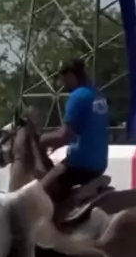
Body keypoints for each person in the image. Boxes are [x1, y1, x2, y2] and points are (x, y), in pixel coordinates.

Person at [38, 58, 109, 223]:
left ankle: (54, 229)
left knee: (40, 191)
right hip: (99, 163)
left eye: (64, 78)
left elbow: (64, 135)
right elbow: (85, 130)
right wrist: (57, 143)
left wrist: (39, 141)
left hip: (80, 164)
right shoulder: (98, 95)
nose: (63, 83)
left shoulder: (78, 96)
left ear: (72, 75)